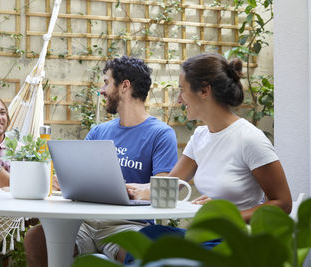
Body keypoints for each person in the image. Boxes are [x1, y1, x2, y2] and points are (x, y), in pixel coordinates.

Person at [125, 53, 292, 263]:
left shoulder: (249, 139)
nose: (178, 99)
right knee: (148, 237)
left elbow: (283, 203)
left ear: (204, 90)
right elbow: (170, 185)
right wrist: (126, 188)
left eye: (181, 90)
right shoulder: (200, 137)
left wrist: (226, 216)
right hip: (206, 237)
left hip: (235, 239)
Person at [23, 56, 179, 266]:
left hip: (127, 224)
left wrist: (132, 190)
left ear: (124, 86)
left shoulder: (160, 134)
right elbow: (77, 176)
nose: (102, 90)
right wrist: (61, 181)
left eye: (106, 82)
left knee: (142, 252)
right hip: (84, 222)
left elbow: (162, 187)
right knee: (36, 239)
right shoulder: (99, 131)